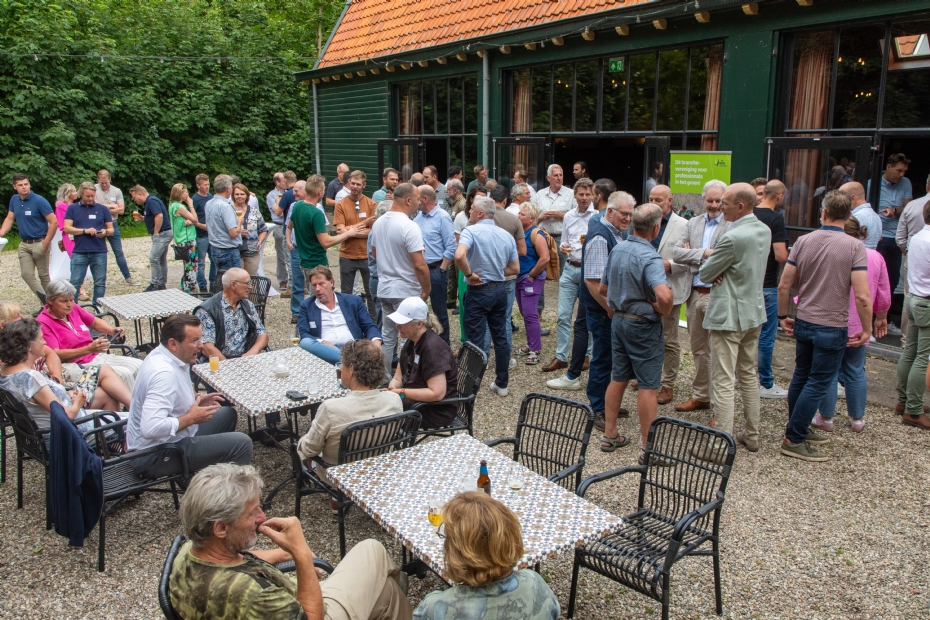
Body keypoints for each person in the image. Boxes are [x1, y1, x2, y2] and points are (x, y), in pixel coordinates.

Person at [169, 464, 411, 620]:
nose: (262, 517)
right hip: (309, 610)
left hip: (286, 601)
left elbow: (242, 562)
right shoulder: (254, 596)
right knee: (373, 550)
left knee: (386, 596)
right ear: (221, 528)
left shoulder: (191, 550)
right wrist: (301, 552)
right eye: (252, 512)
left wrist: (283, 554)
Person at [778, 190, 872, 462]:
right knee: (818, 381)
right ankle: (794, 437)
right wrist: (866, 329)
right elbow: (863, 295)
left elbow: (785, 283)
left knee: (801, 375)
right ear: (848, 215)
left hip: (805, 319)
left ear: (824, 212)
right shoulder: (854, 247)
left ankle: (799, 429)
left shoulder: (804, 241)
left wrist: (782, 315)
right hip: (832, 324)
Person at [693, 183, 771, 462]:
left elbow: (706, 271)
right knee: (749, 374)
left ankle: (718, 447)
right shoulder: (764, 230)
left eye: (725, 203)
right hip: (753, 312)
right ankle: (752, 435)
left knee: (723, 380)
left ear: (740, 205)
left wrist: (715, 268)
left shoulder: (732, 237)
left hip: (729, 316)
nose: (720, 207)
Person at [128, 315, 252, 478]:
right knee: (242, 443)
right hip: (154, 454)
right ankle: (230, 498)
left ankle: (211, 479)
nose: (200, 346)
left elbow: (172, 398)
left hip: (169, 439)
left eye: (200, 339)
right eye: (194, 341)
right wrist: (191, 418)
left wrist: (196, 400)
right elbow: (151, 428)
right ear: (173, 343)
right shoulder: (164, 374)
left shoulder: (167, 355)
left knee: (226, 414)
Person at [598, 202, 672, 457]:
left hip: (618, 320)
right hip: (642, 326)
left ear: (632, 223)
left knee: (618, 377)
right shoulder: (650, 257)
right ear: (656, 227)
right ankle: (648, 449)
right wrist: (661, 307)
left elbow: (603, 290)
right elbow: (663, 296)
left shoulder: (618, 249)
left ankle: (609, 435)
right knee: (648, 386)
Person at [414, 492, 559, 620]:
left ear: (457, 552)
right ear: (509, 537)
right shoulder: (535, 583)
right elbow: (554, 612)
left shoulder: (435, 608)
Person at [814, 216, 889, 432]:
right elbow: (882, 291)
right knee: (855, 370)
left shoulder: (831, 252)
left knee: (828, 370)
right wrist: (881, 316)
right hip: (860, 321)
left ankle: (826, 417)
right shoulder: (875, 257)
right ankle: (857, 419)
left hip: (830, 318)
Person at [298, 339, 400, 488]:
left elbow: (310, 449)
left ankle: (335, 498)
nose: (340, 370)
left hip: (339, 474)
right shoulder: (394, 400)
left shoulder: (331, 408)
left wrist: (301, 441)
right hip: (378, 469)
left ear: (351, 368)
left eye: (342, 365)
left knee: (303, 446)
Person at [0, 318, 130, 430]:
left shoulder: (5, 371)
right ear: (29, 347)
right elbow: (66, 417)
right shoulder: (31, 378)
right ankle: (115, 448)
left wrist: (66, 394)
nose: (45, 342)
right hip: (73, 432)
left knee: (107, 396)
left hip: (47, 429)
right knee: (135, 420)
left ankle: (111, 452)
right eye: (41, 339)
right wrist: (77, 402)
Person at [672, 180, 730, 415]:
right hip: (694, 293)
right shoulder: (693, 223)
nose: (714, 205)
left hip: (718, 294)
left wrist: (692, 257)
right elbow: (677, 252)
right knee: (698, 349)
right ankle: (701, 396)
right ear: (703, 200)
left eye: (718, 201)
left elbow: (727, 258)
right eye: (710, 200)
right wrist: (705, 254)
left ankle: (719, 407)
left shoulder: (731, 225)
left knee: (718, 353)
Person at [456, 196, 519, 397]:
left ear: (480, 213)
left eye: (472, 208)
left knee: (474, 340)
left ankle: (469, 387)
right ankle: (502, 383)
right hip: (499, 289)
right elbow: (515, 268)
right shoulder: (506, 235)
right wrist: (496, 269)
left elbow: (459, 256)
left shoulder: (471, 231)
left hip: (479, 290)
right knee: (500, 337)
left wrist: (469, 274)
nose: (470, 211)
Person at [580, 191, 633, 429]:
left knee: (610, 358)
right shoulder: (601, 237)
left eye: (631, 215)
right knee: (602, 358)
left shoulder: (615, 233)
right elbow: (592, 282)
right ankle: (597, 409)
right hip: (603, 312)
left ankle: (606, 404)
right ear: (610, 211)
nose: (628, 219)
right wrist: (610, 310)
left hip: (608, 310)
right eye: (624, 214)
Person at [370, 183, 431, 380]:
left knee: (388, 336)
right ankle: (409, 377)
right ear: (408, 200)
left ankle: (386, 378)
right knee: (412, 337)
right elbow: (420, 265)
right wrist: (426, 289)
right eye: (418, 198)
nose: (420, 202)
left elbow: (374, 252)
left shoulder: (378, 223)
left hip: (385, 287)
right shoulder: (409, 226)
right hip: (405, 288)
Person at [37, 279, 142, 390]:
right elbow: (54, 354)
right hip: (76, 364)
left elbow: (94, 322)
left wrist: (111, 330)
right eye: (63, 301)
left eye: (72, 300)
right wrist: (88, 349)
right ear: (50, 301)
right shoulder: (44, 322)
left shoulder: (73, 309)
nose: (69, 304)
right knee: (124, 374)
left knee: (140, 366)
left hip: (95, 356)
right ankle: (132, 405)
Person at [288, 177, 362, 318]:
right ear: (320, 191)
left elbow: (289, 226)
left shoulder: (297, 206)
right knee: (321, 298)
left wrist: (289, 242)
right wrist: (349, 234)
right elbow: (326, 242)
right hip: (317, 262)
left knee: (312, 295)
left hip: (303, 261)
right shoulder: (316, 213)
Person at [543, 178, 595, 375]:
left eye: (587, 194)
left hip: (588, 271)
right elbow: (564, 241)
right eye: (580, 194)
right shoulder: (569, 216)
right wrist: (563, 247)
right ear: (575, 196)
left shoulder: (597, 217)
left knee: (587, 316)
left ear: (593, 196)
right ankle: (561, 356)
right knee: (563, 315)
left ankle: (586, 355)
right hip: (570, 268)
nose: (584, 198)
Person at [385, 297, 458, 429]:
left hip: (435, 411)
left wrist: (400, 393)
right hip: (415, 402)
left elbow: (437, 393)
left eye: (402, 322)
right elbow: (397, 377)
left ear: (419, 324)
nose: (397, 326)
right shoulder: (411, 340)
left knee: (380, 413)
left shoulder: (432, 348)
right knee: (378, 405)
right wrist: (392, 389)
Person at [647, 184, 689, 406]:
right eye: (651, 199)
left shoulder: (684, 225)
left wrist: (669, 265)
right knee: (648, 335)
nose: (654, 203)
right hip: (645, 290)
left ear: (670, 201)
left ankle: (667, 384)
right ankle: (649, 377)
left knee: (669, 340)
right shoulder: (645, 221)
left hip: (670, 288)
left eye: (659, 200)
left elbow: (690, 259)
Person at [297, 266, 382, 365]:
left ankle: (346, 363)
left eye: (321, 284)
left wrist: (376, 341)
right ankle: (350, 363)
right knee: (305, 342)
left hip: (352, 348)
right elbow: (303, 333)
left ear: (331, 282)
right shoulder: (307, 306)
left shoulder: (352, 301)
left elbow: (369, 325)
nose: (317, 289)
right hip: (325, 351)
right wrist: (322, 342)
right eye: (314, 285)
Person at [895, 198, 930, 431]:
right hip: (926, 302)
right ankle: (914, 410)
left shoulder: (917, 237)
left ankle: (903, 401)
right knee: (922, 356)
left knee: (910, 351)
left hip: (913, 298)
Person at [755, 180, 790, 399]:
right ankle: (766, 384)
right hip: (767, 285)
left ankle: (742, 377)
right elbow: (780, 256)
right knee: (766, 337)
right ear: (779, 196)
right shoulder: (775, 219)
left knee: (744, 335)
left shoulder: (749, 214)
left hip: (747, 284)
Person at [870, 153, 912, 331]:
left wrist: (895, 210)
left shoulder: (906, 183)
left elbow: (908, 208)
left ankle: (884, 318)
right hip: (879, 237)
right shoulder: (873, 183)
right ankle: (870, 317)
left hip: (896, 237)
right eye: (898, 170)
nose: (901, 174)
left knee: (892, 280)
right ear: (888, 167)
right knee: (874, 279)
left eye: (904, 171)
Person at [0, 173, 56, 305]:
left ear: (29, 184)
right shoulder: (14, 199)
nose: (24, 187)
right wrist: (1, 233)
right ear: (15, 186)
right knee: (26, 274)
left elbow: (54, 222)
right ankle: (47, 303)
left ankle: (52, 305)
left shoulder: (39, 200)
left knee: (43, 276)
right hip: (24, 243)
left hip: (40, 242)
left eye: (26, 184)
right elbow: (9, 218)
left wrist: (46, 242)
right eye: (20, 185)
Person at [194, 268, 268, 364]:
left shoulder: (247, 305)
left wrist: (252, 353)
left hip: (245, 359)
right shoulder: (207, 310)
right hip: (218, 363)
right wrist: (228, 366)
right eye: (247, 283)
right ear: (233, 284)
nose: (251, 287)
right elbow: (207, 347)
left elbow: (262, 334)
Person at [414, 185, 456, 345]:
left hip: (435, 270)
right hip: (419, 271)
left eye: (417, 197)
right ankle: (423, 342)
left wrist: (442, 269)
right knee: (418, 309)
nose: (415, 201)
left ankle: (444, 345)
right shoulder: (418, 217)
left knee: (439, 311)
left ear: (425, 199)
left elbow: (451, 246)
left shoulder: (442, 217)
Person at [63, 182, 114, 305]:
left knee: (100, 282)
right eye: (87, 196)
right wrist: (84, 231)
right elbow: (67, 228)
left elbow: (111, 230)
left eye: (92, 196)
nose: (90, 198)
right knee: (75, 282)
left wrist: (105, 232)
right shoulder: (72, 208)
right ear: (81, 194)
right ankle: (73, 308)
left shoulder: (102, 209)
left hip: (99, 250)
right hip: (80, 250)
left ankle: (97, 306)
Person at [334, 170, 376, 318]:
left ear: (364, 185)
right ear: (348, 183)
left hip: (367, 255)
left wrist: (350, 232)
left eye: (358, 184)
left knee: (371, 292)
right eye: (352, 183)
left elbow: (372, 232)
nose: (355, 187)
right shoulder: (340, 205)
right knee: (346, 293)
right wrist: (363, 225)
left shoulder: (371, 204)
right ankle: (348, 320)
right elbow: (340, 230)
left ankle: (373, 322)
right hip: (347, 255)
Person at [514, 202, 550, 365]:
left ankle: (535, 350)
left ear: (531, 218)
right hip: (519, 278)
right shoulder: (521, 233)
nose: (518, 216)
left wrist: (531, 275)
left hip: (531, 279)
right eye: (519, 213)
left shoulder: (536, 233)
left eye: (522, 214)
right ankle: (530, 344)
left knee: (530, 314)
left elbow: (545, 258)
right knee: (524, 313)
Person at [0, 300, 63, 383]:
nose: (22, 317)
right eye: (17, 316)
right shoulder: (8, 352)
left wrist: (57, 377)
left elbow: (50, 353)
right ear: (2, 325)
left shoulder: (21, 338)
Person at [532, 164, 577, 273]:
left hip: (563, 238)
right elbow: (531, 218)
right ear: (548, 178)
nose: (559, 178)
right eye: (555, 175)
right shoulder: (539, 194)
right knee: (542, 270)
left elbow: (577, 217)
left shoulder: (571, 194)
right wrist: (541, 217)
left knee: (565, 269)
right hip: (543, 237)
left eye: (561, 175)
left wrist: (562, 215)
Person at [94, 169, 135, 285]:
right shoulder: (93, 189)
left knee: (118, 251)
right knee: (99, 252)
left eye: (106, 182)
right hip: (98, 224)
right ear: (98, 180)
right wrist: (113, 206)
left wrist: (103, 207)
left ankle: (128, 276)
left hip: (113, 223)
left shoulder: (116, 191)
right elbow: (95, 207)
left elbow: (121, 210)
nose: (104, 185)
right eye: (102, 183)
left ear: (110, 179)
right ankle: (100, 279)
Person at [127, 185, 172, 292]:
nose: (134, 200)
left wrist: (156, 232)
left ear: (140, 194)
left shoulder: (151, 201)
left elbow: (159, 216)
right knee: (161, 259)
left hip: (162, 233)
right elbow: (154, 215)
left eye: (134, 197)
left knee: (153, 258)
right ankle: (161, 284)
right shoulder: (150, 202)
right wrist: (143, 217)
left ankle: (155, 284)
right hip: (164, 233)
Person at [54, 183, 91, 301]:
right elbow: (64, 224)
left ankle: (77, 287)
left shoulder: (75, 205)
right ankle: (78, 289)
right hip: (70, 237)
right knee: (77, 261)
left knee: (83, 261)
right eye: (74, 191)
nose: (76, 193)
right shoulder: (61, 206)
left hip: (79, 234)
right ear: (68, 193)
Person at [205, 174, 244, 281]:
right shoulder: (225, 207)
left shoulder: (208, 203)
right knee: (234, 283)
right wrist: (240, 222)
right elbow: (233, 233)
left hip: (215, 248)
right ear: (228, 189)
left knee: (219, 282)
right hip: (228, 251)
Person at [167, 183, 200, 293]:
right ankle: (190, 291)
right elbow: (195, 219)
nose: (188, 194)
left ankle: (183, 285)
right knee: (192, 267)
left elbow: (183, 220)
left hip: (180, 240)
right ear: (180, 193)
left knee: (186, 265)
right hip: (188, 240)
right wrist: (190, 204)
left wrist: (188, 220)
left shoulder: (172, 205)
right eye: (186, 192)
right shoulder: (180, 207)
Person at [368, 201, 394, 328]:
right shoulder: (377, 232)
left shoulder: (377, 230)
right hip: (379, 279)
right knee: (383, 321)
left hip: (379, 279)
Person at [266, 172, 290, 296]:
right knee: (281, 255)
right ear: (277, 182)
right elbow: (279, 213)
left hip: (290, 226)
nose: (286, 182)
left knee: (291, 254)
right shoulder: (271, 195)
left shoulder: (289, 192)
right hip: (279, 226)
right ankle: (283, 280)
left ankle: (294, 279)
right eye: (283, 180)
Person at [445, 179, 467, 311]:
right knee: (452, 273)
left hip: (459, 244)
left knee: (459, 274)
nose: (446, 191)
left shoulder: (462, 204)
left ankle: (461, 301)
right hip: (454, 243)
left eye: (448, 189)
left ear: (455, 190)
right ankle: (451, 300)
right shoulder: (455, 204)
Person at [840, 181, 881, 250]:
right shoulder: (875, 216)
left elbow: (848, 244)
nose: (841, 201)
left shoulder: (858, 217)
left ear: (853, 197)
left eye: (843, 198)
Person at [191, 174, 213, 292]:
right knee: (201, 262)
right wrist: (201, 226)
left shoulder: (210, 196)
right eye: (205, 185)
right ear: (198, 185)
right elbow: (192, 218)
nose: (207, 187)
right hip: (201, 235)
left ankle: (213, 282)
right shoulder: (195, 199)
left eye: (208, 184)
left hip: (212, 234)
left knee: (214, 259)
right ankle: (202, 285)